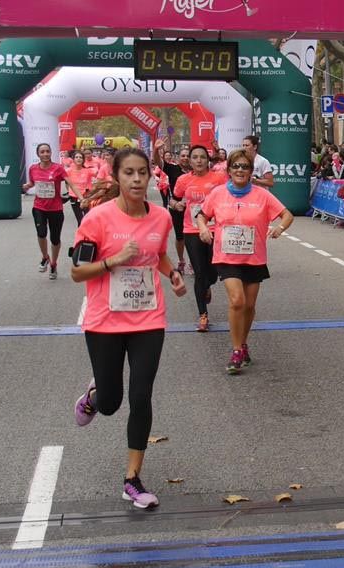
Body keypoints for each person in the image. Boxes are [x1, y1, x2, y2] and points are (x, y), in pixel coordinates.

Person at [71, 147, 188, 509]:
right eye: (129, 174)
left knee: (141, 396)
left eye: (142, 173)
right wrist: (113, 261)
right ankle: (94, 397)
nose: (137, 180)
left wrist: (173, 274)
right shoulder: (97, 219)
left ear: (151, 176)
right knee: (111, 403)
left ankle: (132, 479)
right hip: (104, 321)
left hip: (148, 319)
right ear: (117, 178)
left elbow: (159, 255)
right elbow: (78, 272)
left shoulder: (162, 218)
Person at [197, 150, 294, 374]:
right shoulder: (218, 193)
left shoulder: (262, 195)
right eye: (236, 166)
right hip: (226, 256)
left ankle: (243, 342)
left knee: (249, 306)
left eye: (245, 167)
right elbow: (202, 214)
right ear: (229, 170)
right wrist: (203, 227)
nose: (240, 170)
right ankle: (236, 349)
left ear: (251, 171)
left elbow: (286, 215)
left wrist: (279, 228)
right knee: (237, 301)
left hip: (254, 257)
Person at [172, 145, 227, 332]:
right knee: (199, 272)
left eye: (202, 157)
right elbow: (174, 199)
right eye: (194, 157)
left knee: (213, 272)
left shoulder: (219, 178)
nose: (198, 160)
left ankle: (207, 286)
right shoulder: (183, 180)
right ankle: (203, 315)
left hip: (214, 228)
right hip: (192, 230)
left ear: (208, 160)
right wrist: (176, 204)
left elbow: (227, 197)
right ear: (190, 160)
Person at [22, 143, 83, 280]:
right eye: (42, 152)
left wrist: (81, 198)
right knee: (41, 233)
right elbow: (33, 183)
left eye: (47, 151)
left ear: (51, 153)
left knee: (55, 239)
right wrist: (27, 186)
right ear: (38, 154)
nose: (45, 154)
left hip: (55, 209)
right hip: (39, 207)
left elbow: (71, 184)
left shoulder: (58, 168)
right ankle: (45, 257)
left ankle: (54, 264)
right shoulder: (33, 169)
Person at [163, 147, 191, 274]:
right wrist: (157, 149)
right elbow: (159, 163)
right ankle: (181, 260)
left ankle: (194, 261)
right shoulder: (173, 169)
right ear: (179, 157)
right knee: (180, 237)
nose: (185, 158)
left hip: (193, 209)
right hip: (177, 206)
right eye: (183, 155)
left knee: (193, 237)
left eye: (187, 155)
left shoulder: (197, 170)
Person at [66, 150, 95, 227]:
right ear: (73, 159)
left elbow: (100, 176)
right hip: (74, 197)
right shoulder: (68, 171)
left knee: (87, 219)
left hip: (86, 198)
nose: (78, 159)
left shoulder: (88, 170)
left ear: (83, 160)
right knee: (80, 220)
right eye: (76, 157)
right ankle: (81, 237)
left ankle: (87, 237)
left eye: (80, 157)